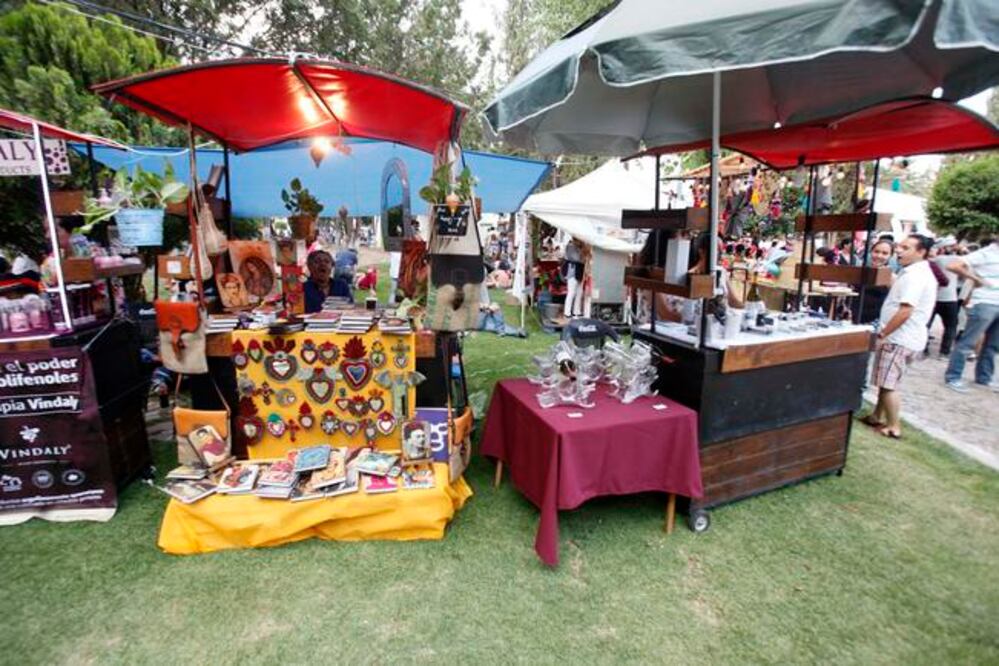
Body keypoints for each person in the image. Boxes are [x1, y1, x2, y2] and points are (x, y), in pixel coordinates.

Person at [863, 234, 938, 439]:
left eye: (906, 247)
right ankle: (876, 416)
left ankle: (894, 426)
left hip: (899, 338)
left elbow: (906, 311)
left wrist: (884, 333)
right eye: (900, 246)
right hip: (906, 337)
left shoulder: (916, 276)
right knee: (886, 380)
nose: (899, 251)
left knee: (888, 385)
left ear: (921, 252)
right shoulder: (914, 272)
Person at [944, 236, 999, 392]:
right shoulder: (985, 253)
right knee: (968, 342)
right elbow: (953, 265)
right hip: (984, 302)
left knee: (993, 345)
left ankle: (984, 378)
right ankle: (953, 377)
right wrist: (975, 278)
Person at [927, 239, 960, 357]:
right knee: (951, 326)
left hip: (934, 297)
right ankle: (944, 351)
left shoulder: (934, 261)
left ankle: (924, 348)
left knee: (927, 324)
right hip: (950, 298)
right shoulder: (957, 260)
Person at [854, 238, 895, 325]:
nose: (879, 256)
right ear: (871, 252)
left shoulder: (891, 277)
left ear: (890, 256)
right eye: (876, 251)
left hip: (875, 321)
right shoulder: (862, 271)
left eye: (885, 253)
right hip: (854, 317)